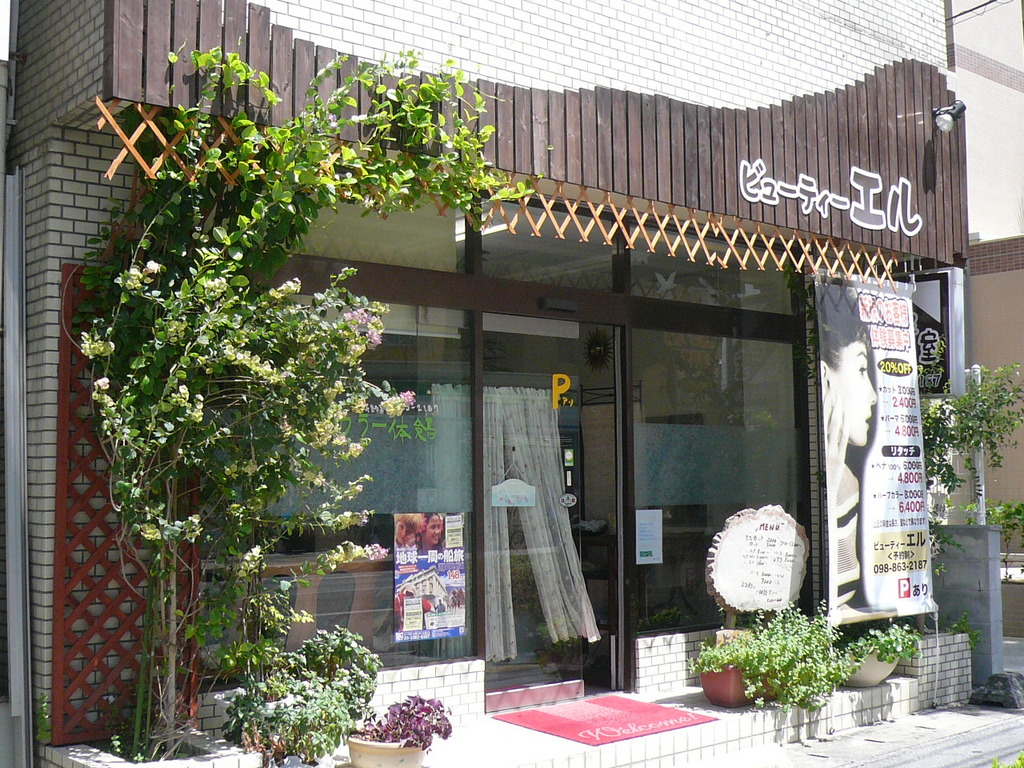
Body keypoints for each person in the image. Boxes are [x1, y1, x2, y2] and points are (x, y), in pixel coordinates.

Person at [820, 286, 877, 611]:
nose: (872, 394)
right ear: (825, 377)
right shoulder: (840, 482)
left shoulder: (847, 484)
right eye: (861, 370)